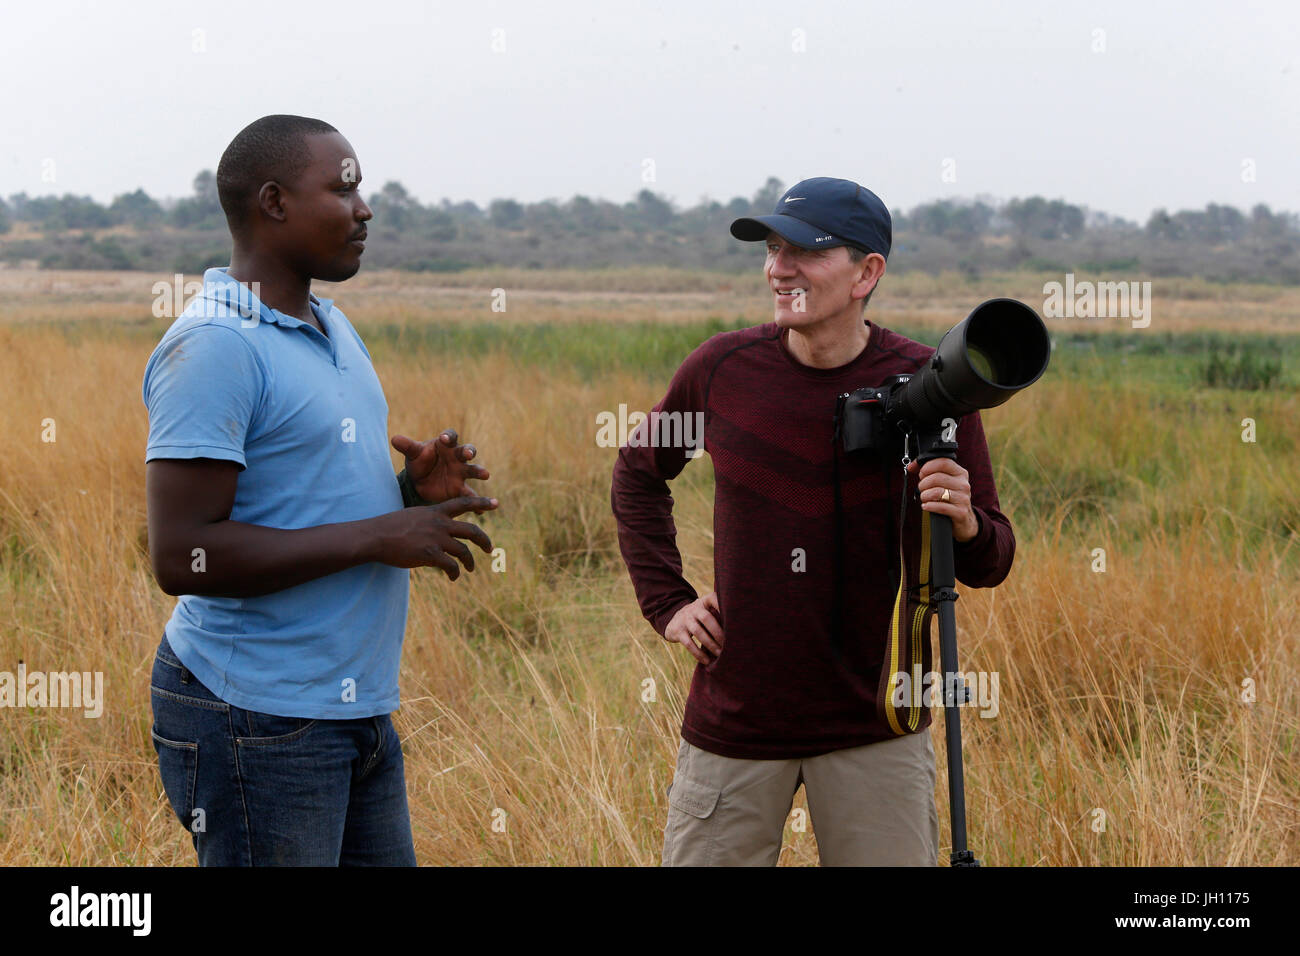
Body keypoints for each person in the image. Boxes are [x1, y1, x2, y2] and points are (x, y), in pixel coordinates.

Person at [610, 177, 1015, 866]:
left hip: (878, 726)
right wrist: (668, 603)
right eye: (772, 248)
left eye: (806, 250)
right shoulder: (720, 369)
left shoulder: (931, 382)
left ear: (868, 273)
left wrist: (965, 521)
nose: (779, 268)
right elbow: (638, 474)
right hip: (735, 722)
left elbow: (993, 558)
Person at [142, 114, 498, 866]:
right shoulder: (216, 346)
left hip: (353, 708)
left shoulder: (331, 325)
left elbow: (304, 507)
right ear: (273, 202)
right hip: (255, 715)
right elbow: (183, 556)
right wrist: (379, 537)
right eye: (343, 188)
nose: (364, 207)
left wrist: (407, 494)